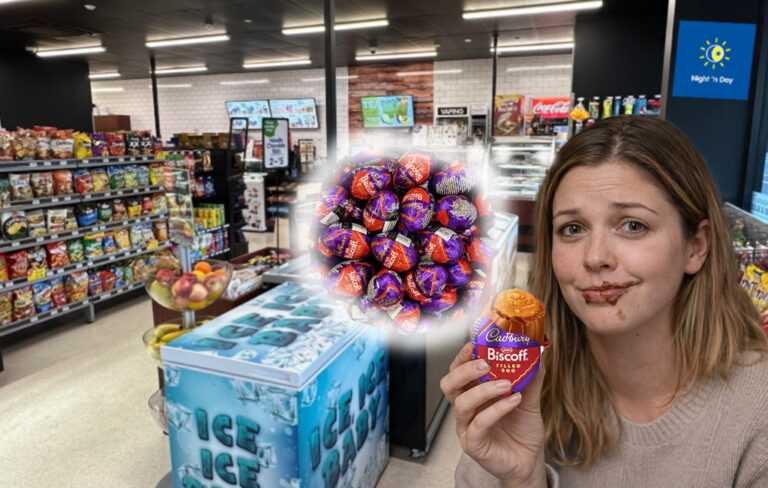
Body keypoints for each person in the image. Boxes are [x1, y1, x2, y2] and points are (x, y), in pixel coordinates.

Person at [440, 115, 768, 487]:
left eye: (632, 225)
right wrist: (522, 479)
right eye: (573, 229)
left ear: (696, 247)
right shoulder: (522, 387)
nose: (595, 257)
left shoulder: (757, 411)